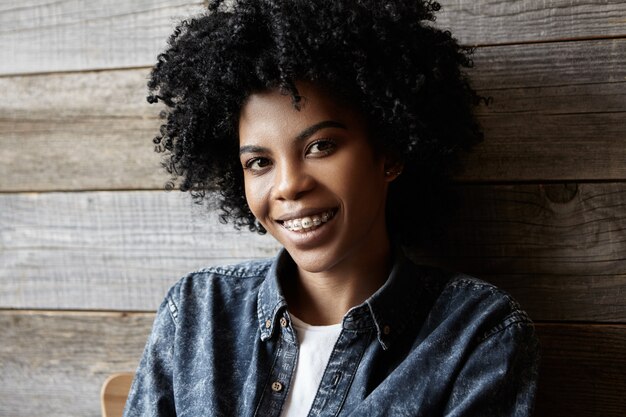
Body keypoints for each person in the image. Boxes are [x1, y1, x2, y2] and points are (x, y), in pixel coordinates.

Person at [124, 0, 539, 416]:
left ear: (390, 152)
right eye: (259, 163)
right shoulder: (197, 311)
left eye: (320, 146)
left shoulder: (477, 333)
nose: (289, 185)